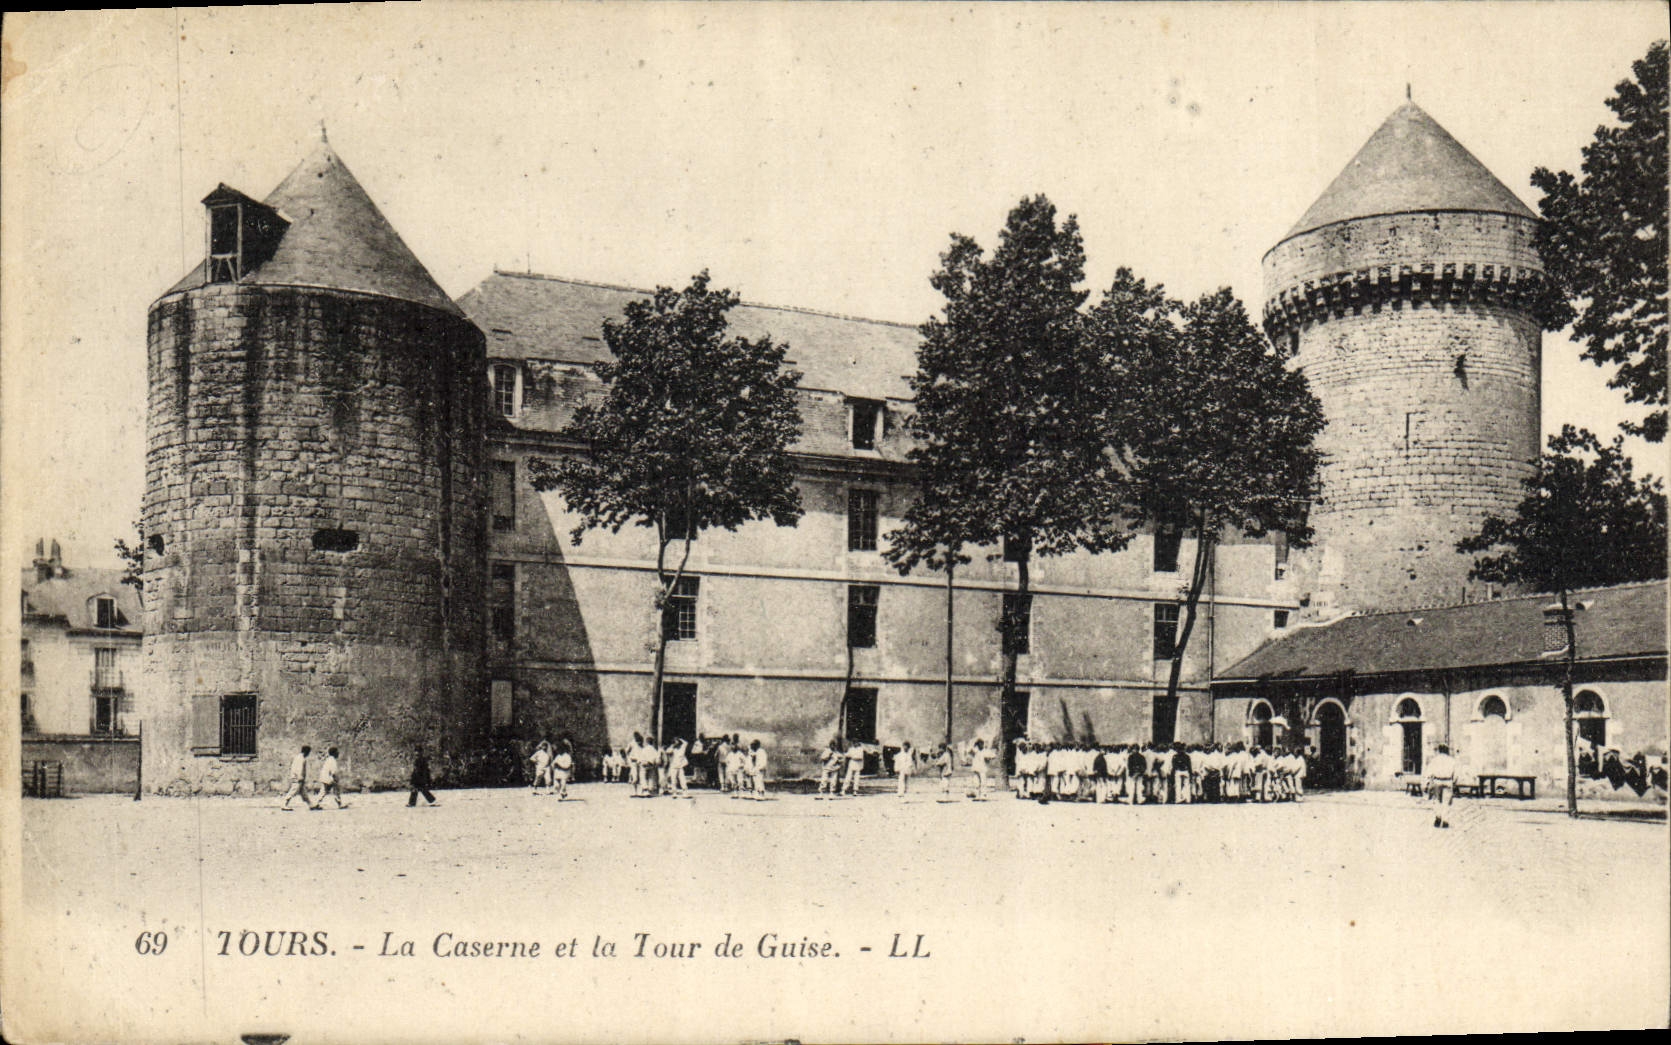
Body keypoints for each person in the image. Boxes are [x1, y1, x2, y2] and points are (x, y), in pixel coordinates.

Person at [1426, 743, 1458, 828]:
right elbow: (1456, 774)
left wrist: (1428, 781)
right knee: (1446, 802)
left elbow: (1429, 772)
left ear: (1439, 750)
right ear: (1447, 750)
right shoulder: (1452, 760)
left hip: (1437, 781)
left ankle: (1438, 817)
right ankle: (1445, 821)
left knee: (1437, 800)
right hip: (1448, 781)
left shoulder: (1434, 760)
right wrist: (1454, 782)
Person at [281, 745, 316, 810]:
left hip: (296, 777)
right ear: (306, 752)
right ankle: (284, 804)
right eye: (308, 752)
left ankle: (311, 805)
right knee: (293, 791)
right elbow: (299, 769)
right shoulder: (301, 759)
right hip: (298, 778)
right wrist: (300, 777)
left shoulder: (298, 757)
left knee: (304, 793)